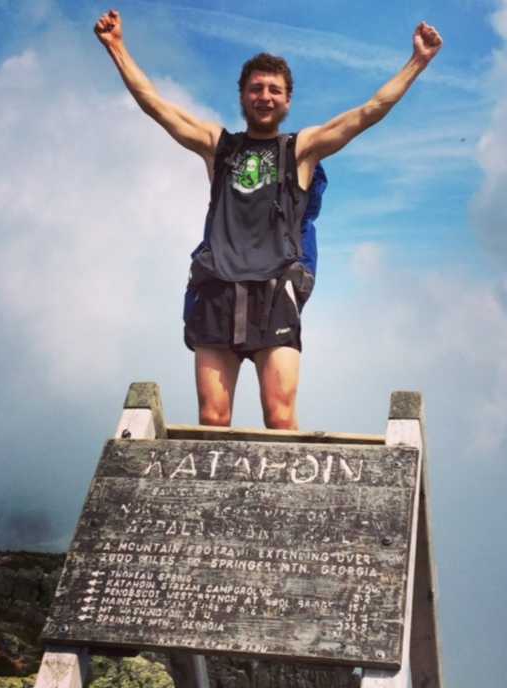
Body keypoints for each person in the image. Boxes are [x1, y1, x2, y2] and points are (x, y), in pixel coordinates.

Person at [94, 9, 442, 430]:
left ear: (287, 100)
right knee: (213, 418)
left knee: (279, 417)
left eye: (274, 90)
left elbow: (370, 110)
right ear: (242, 95)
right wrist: (117, 47)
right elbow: (155, 105)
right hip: (217, 285)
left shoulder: (301, 149)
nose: (265, 96)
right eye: (256, 88)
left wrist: (418, 61)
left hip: (276, 291)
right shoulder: (217, 145)